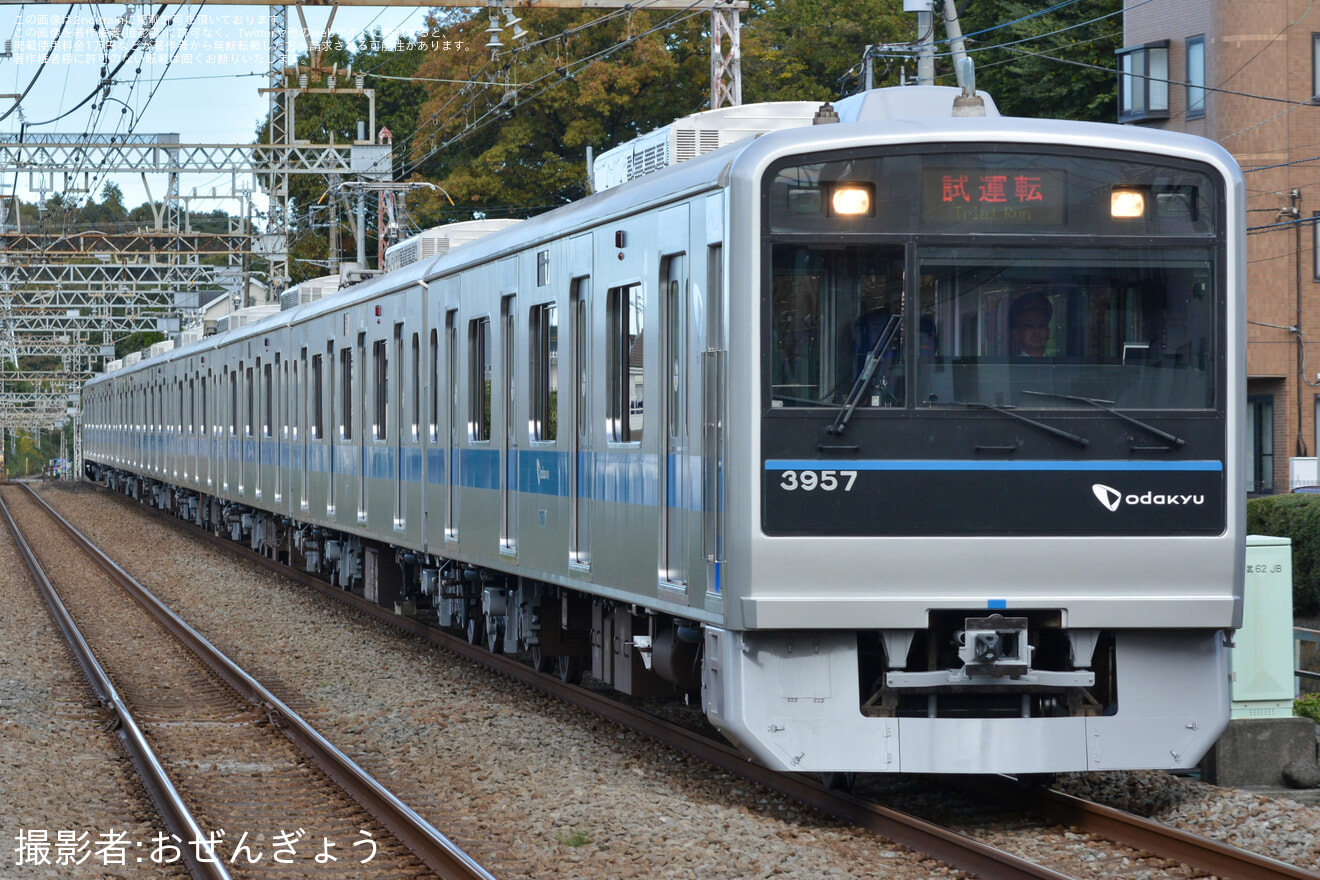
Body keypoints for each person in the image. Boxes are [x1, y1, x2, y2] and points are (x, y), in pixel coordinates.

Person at [1009, 293, 1053, 358]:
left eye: (1041, 325)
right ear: (1016, 334)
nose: (1037, 331)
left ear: (1048, 332)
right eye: (1029, 326)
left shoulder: (1060, 367)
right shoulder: (1008, 367)